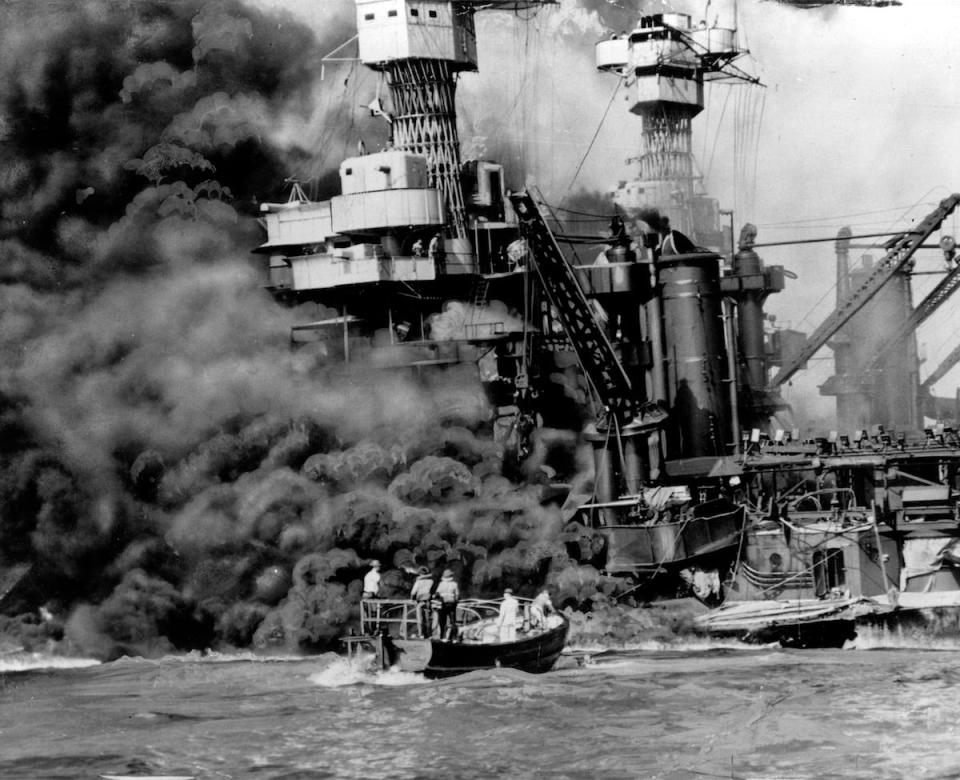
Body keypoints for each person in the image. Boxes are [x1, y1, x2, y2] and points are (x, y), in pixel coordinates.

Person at [434, 569, 459, 641]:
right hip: (452, 604)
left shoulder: (441, 584)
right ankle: (454, 638)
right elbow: (457, 595)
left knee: (442, 621)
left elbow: (437, 594)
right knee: (453, 621)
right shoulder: (454, 584)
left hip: (443, 604)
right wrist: (456, 601)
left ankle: (443, 637)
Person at [410, 566, 434, 638]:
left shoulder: (418, 582)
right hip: (428, 601)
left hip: (420, 601)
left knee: (420, 618)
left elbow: (413, 592)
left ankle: (421, 634)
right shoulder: (431, 581)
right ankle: (429, 634)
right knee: (428, 618)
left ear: (420, 574)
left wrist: (412, 599)